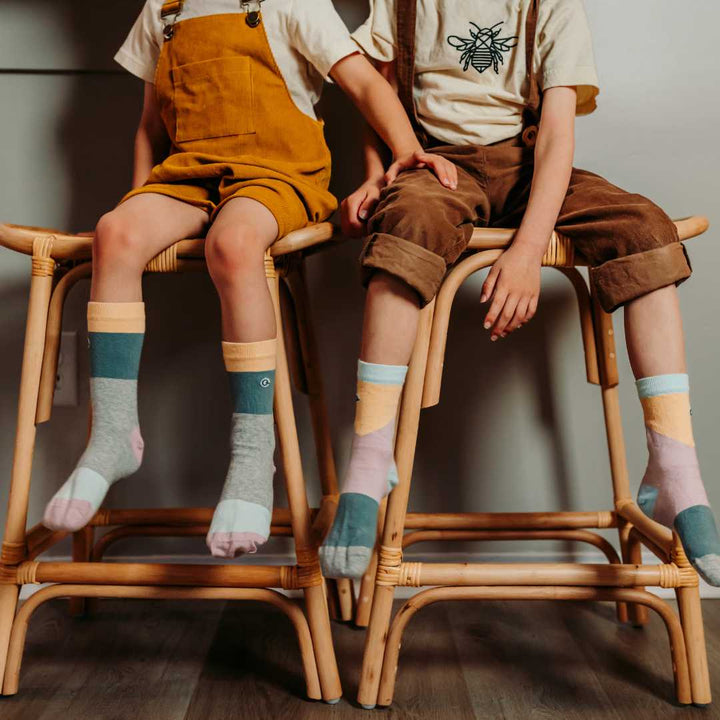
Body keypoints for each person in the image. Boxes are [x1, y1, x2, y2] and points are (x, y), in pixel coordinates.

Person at [319, 0, 720, 586]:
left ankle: (676, 468)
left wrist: (528, 249)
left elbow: (557, 135)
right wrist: (377, 175)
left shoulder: (551, 6)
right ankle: (370, 464)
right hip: (438, 167)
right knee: (404, 227)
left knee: (644, 231)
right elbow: (378, 103)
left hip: (533, 165)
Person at [42, 0, 457, 560]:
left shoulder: (291, 3)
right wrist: (141, 201)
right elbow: (149, 124)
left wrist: (407, 151)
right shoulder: (162, 10)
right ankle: (114, 435)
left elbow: (361, 79)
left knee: (233, 244)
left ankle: (252, 453)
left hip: (278, 176)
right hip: (188, 174)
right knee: (114, 232)